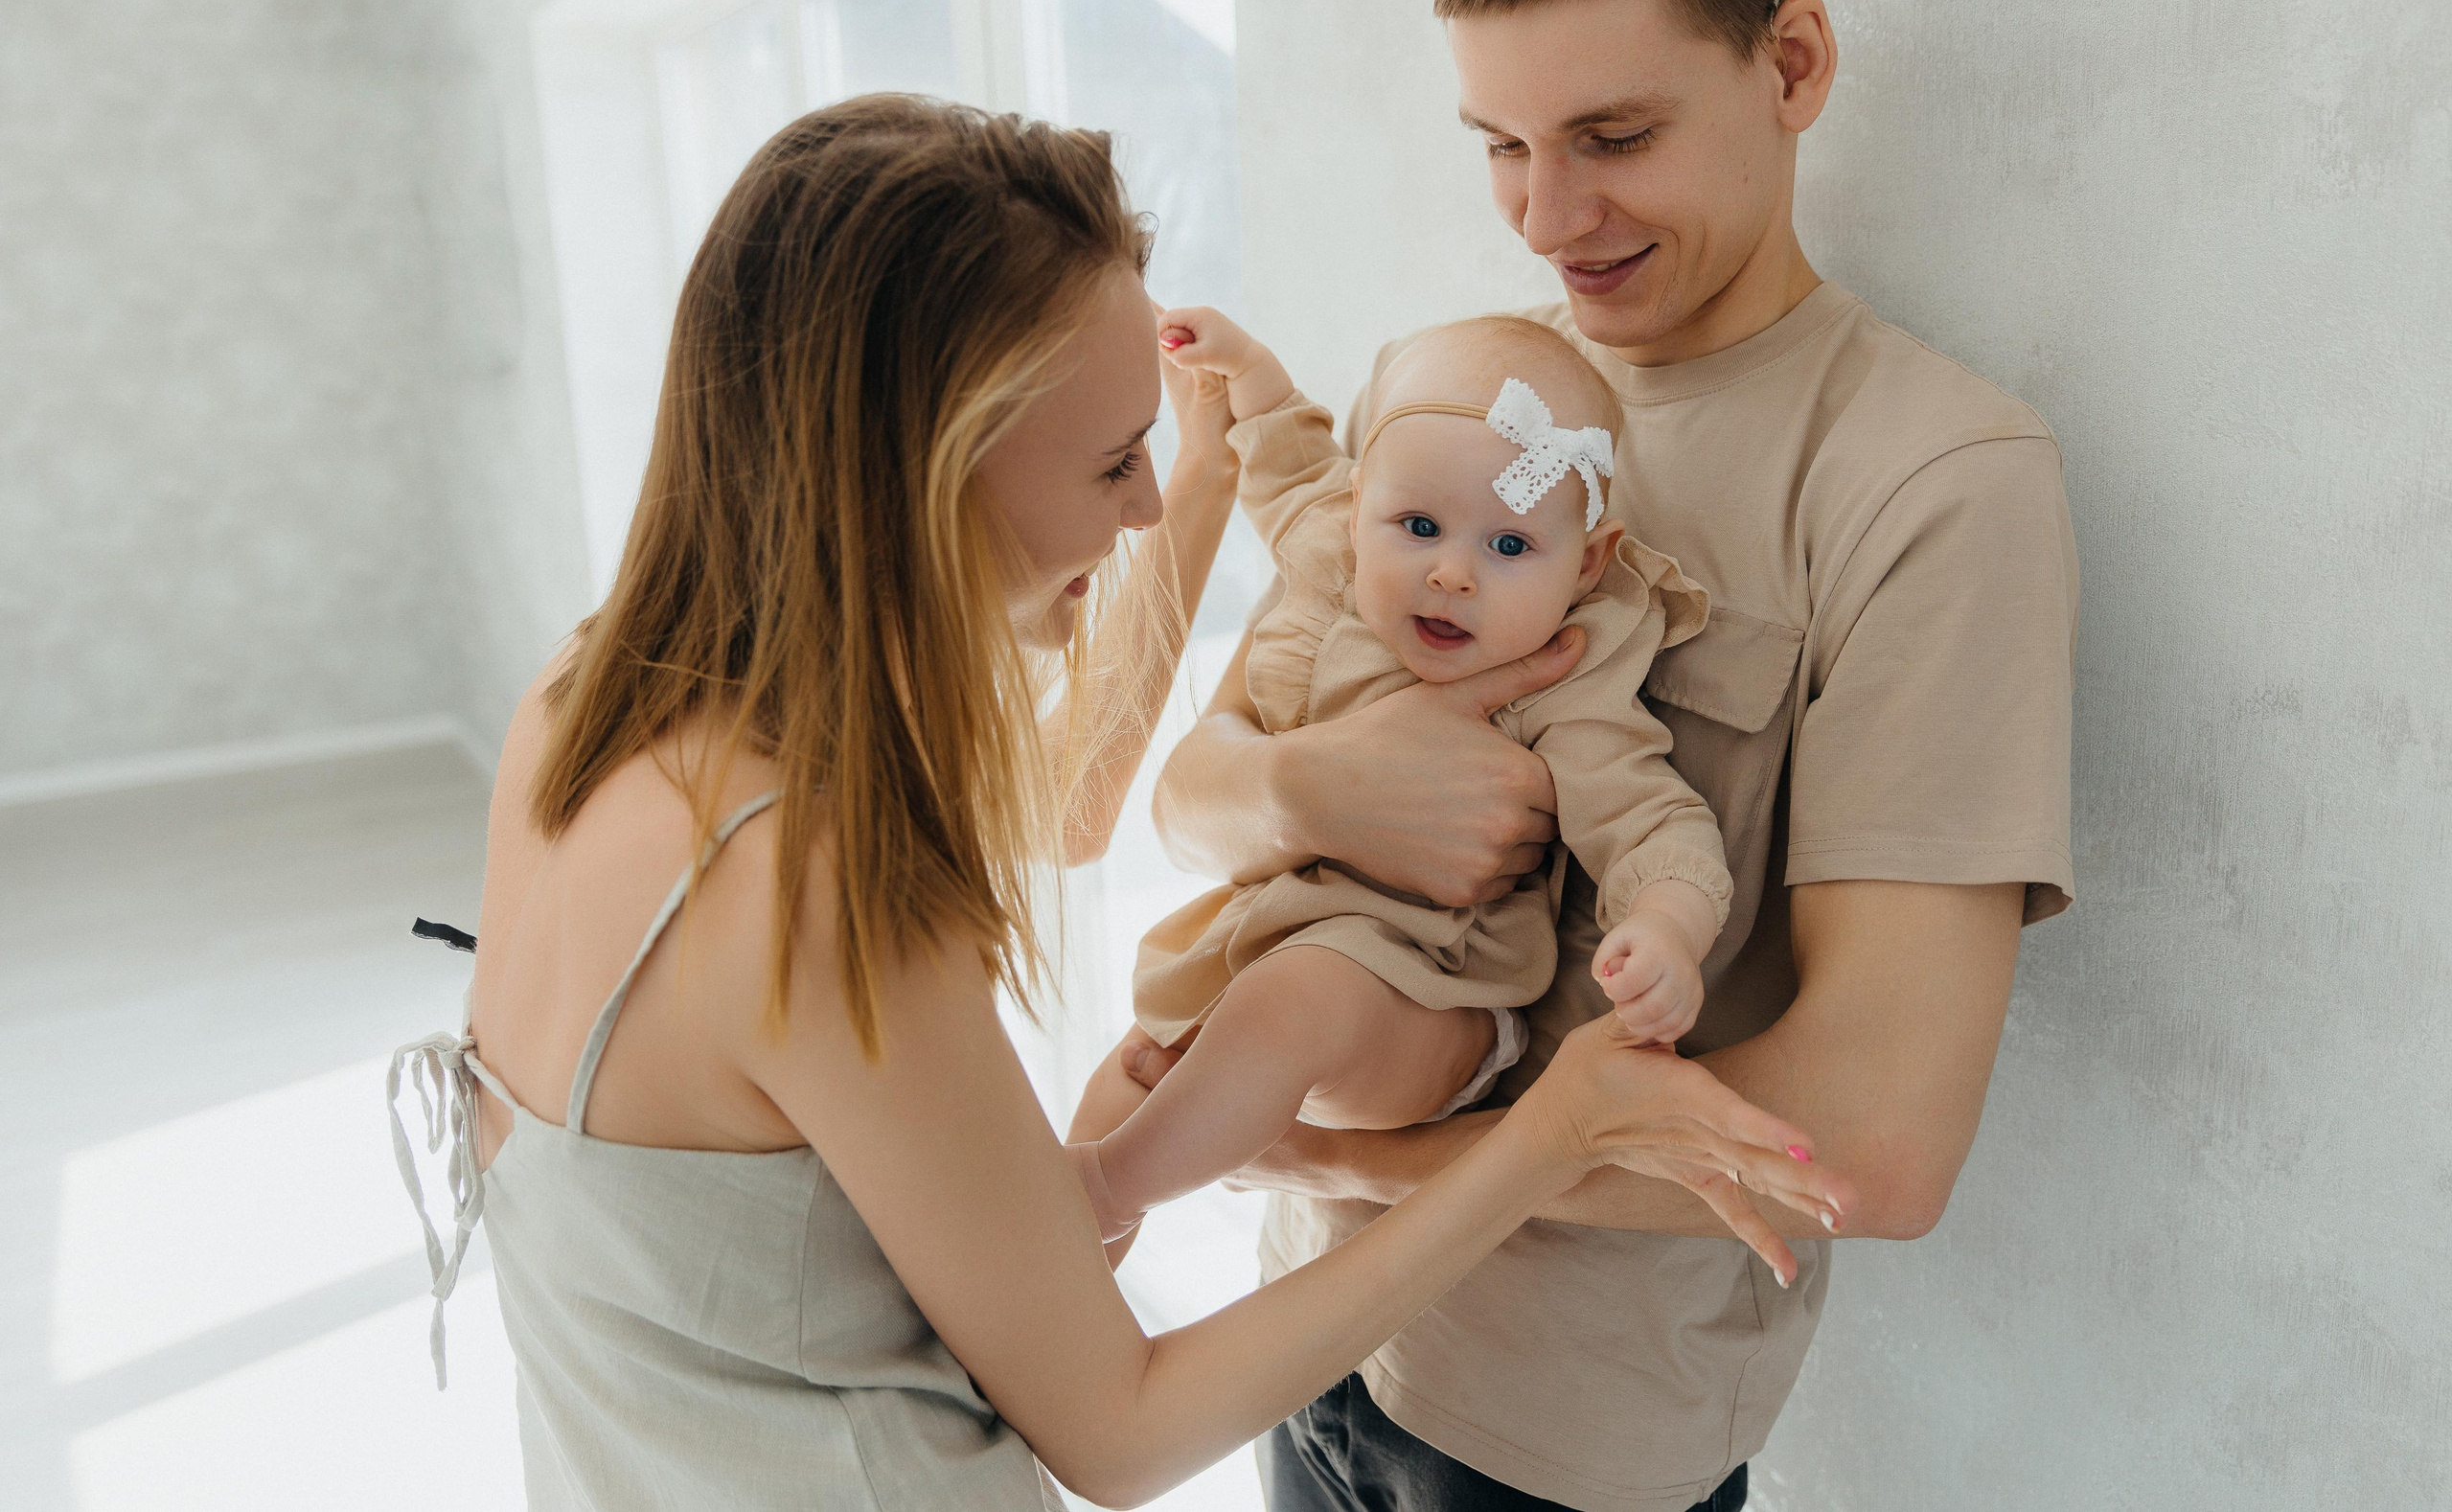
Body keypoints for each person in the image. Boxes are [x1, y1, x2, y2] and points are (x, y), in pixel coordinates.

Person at [382, 92, 1851, 1511]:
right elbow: (1123, 1429)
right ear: (925, 466)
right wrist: (1549, 1134)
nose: (1145, 505)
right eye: (1111, 462)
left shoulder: (593, 698)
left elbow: (1069, 808)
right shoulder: (811, 881)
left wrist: (1212, 492)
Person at [1093, 0, 2081, 1508]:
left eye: (1613, 136)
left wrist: (1333, 1151)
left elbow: (1879, 1137)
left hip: (1558, 1449)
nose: (1546, 219)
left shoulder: (1930, 478)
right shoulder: (1472, 384)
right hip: (1306, 1337)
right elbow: (1210, 775)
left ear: (1795, 63)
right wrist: (1307, 792)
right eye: (1499, 142)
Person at [1069, 308, 1760, 1249]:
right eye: (1419, 525)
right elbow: (1285, 458)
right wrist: (1247, 369)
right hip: (1271, 939)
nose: (1450, 574)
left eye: (1509, 547)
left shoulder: (1565, 676)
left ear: (1587, 563)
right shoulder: (1337, 550)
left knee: (1290, 1002)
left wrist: (1666, 930)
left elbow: (1652, 822)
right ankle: (1060, 1278)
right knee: (1144, 1063)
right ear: (1360, 510)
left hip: (1432, 997)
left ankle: (1106, 1190)